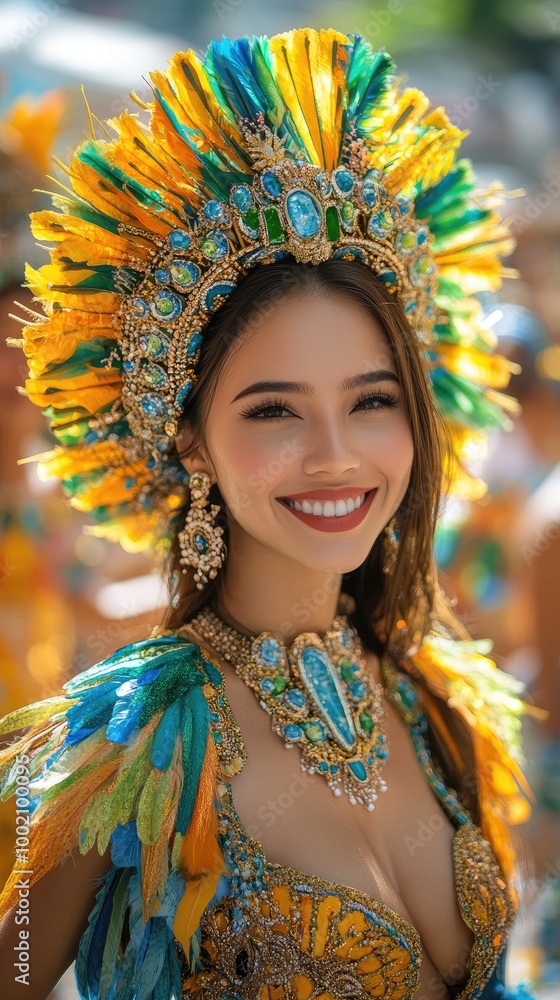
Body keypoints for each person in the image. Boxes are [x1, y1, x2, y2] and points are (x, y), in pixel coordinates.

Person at [0, 27, 542, 1000]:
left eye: (371, 400)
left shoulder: (440, 705)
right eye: (274, 409)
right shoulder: (135, 745)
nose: (333, 452)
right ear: (190, 440)